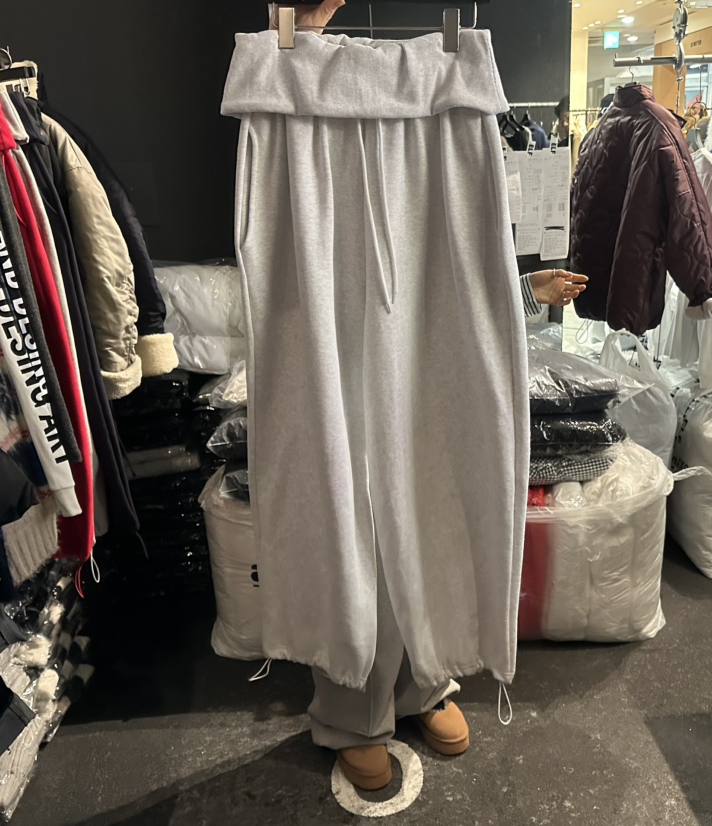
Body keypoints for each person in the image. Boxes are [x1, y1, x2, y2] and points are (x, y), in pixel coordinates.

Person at [263, 2, 586, 793]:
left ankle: (424, 680)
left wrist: (517, 292)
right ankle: (352, 708)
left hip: (441, 134)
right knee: (346, 490)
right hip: (314, 155)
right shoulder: (293, 84)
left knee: (434, 479)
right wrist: (297, 36)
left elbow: (462, 268)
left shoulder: (456, 86)